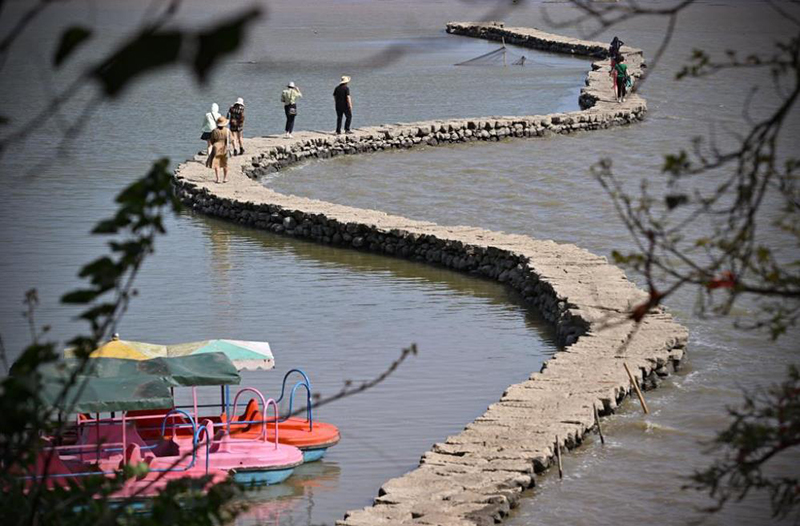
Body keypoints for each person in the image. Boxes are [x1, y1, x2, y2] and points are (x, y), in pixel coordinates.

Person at [206, 116, 230, 183]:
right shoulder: (227, 131)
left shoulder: (214, 131)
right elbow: (229, 140)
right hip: (225, 147)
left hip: (216, 147)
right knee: (225, 164)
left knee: (216, 164)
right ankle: (225, 178)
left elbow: (212, 140)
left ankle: (218, 179)